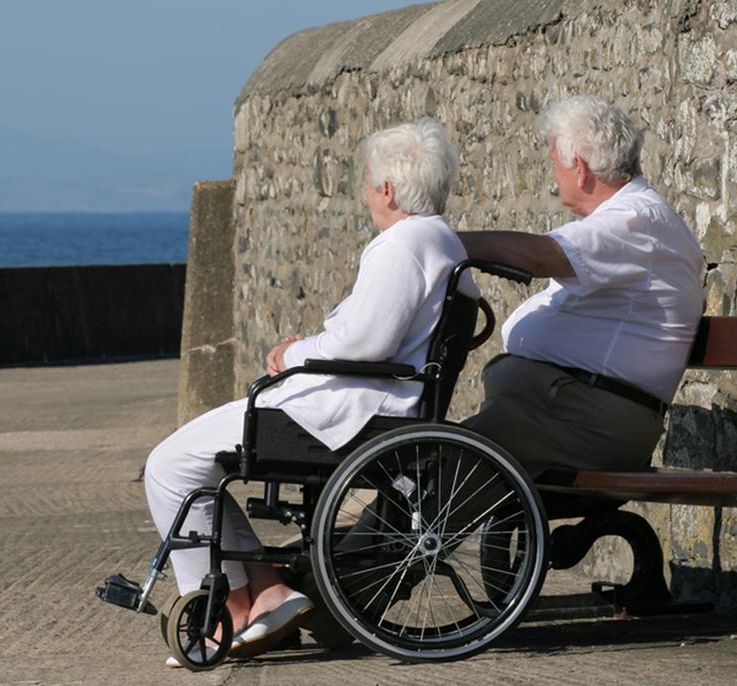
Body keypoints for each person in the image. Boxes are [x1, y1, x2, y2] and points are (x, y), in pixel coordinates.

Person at [144, 117, 478, 664]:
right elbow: (368, 336)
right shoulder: (440, 241)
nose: (367, 196)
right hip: (365, 401)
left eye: (369, 185)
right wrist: (316, 346)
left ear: (388, 190)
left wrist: (293, 354)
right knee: (188, 463)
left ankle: (228, 607)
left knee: (169, 464)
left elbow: (366, 341)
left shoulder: (402, 245)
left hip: (347, 412)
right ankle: (266, 591)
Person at [460, 95, 704, 475]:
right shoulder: (619, 222)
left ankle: (365, 532)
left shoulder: (637, 220)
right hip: (565, 409)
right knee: (438, 464)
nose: (553, 175)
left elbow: (541, 256)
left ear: (579, 168)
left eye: (554, 163)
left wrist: (441, 242)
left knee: (447, 463)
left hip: (589, 420)